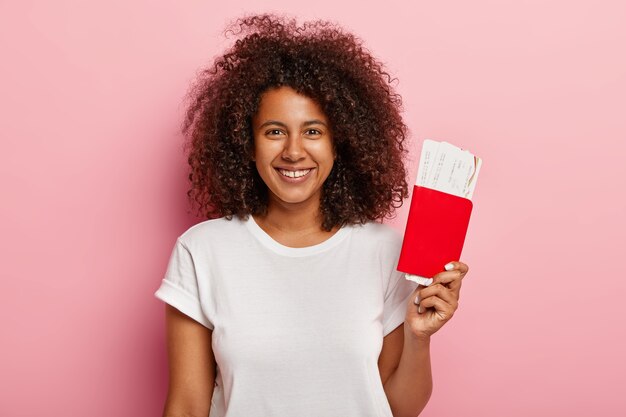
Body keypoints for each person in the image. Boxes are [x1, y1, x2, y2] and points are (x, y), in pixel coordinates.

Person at [154, 13, 469, 417]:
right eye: (274, 131)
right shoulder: (201, 251)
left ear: (341, 145)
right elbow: (185, 406)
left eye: (313, 131)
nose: (293, 151)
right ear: (246, 145)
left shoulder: (384, 251)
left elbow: (399, 408)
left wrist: (419, 337)